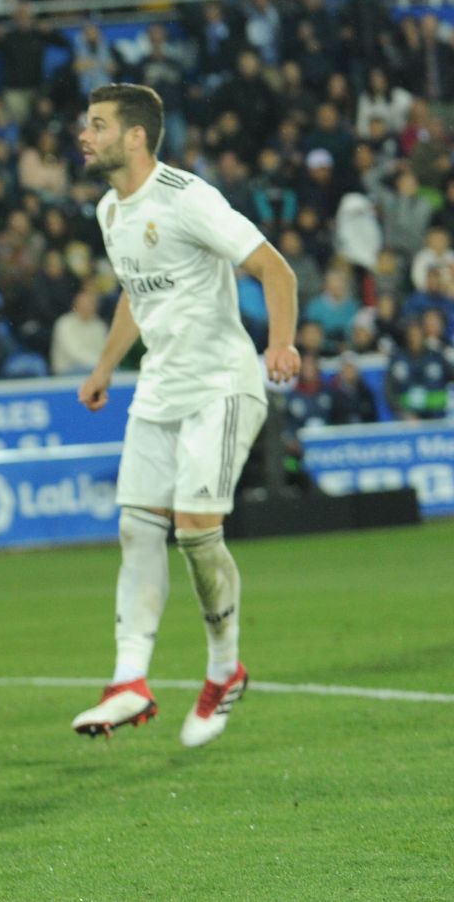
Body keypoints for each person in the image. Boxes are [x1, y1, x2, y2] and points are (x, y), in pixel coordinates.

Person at [72, 83, 299, 749]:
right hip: (159, 391)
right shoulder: (111, 211)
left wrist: (280, 342)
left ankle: (224, 670)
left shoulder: (186, 198)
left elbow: (274, 269)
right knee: (138, 527)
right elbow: (135, 295)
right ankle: (129, 681)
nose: (84, 136)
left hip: (221, 388)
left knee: (196, 531)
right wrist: (106, 365)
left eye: (98, 125)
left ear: (135, 136)